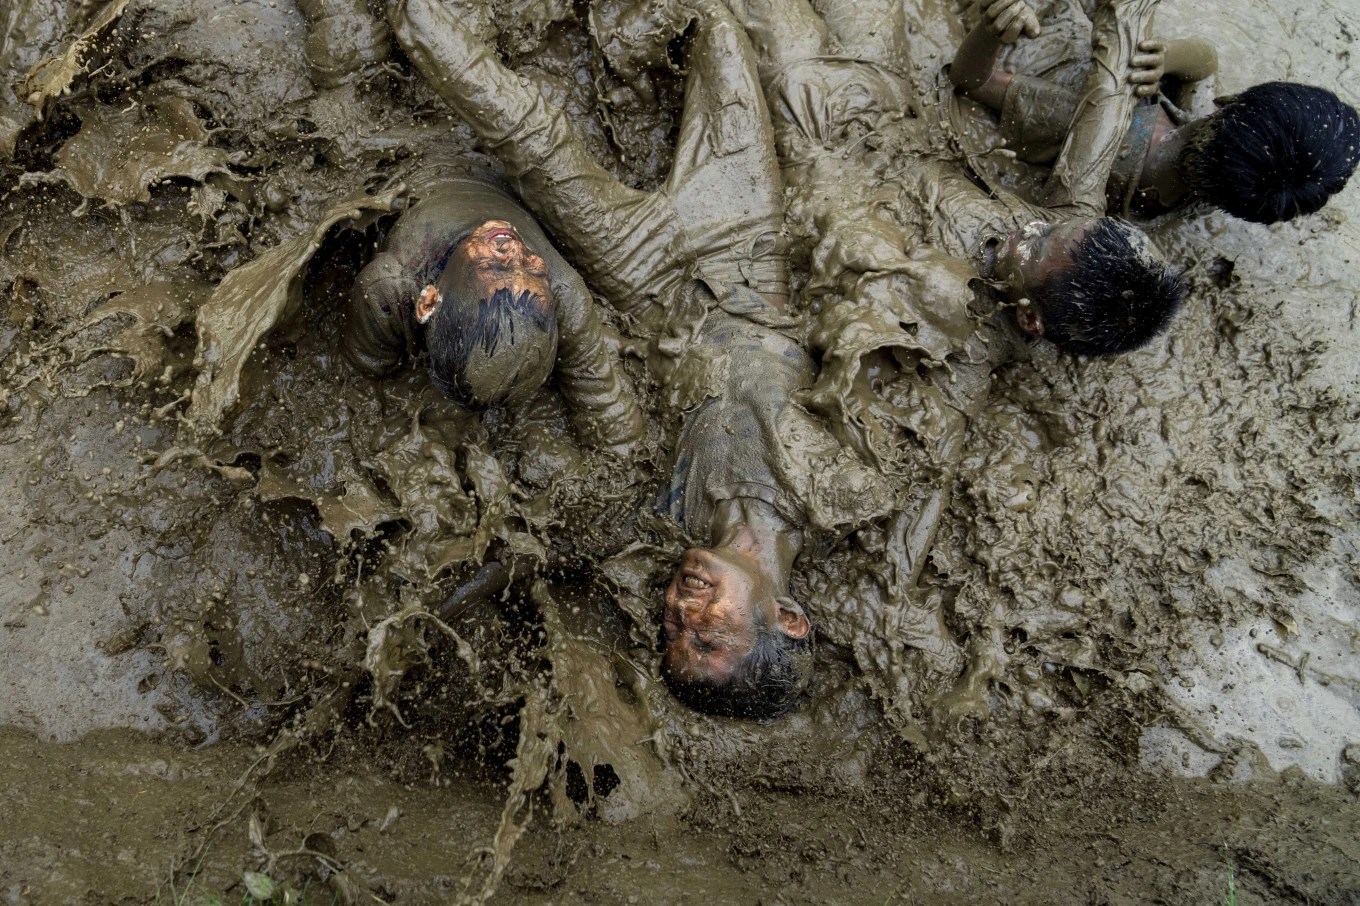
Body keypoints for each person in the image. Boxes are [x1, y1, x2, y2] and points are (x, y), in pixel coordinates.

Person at [388, 0, 899, 718]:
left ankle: (413, 17)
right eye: (710, 637)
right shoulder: (846, 493)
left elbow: (538, 543)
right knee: (718, 28)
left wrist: (429, 610)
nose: (681, 611)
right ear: (785, 618)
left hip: (640, 275)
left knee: (532, 138)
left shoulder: (663, 518)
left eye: (668, 629)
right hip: (746, 243)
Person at [950, 0, 1360, 222]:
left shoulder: (1087, 122)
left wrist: (992, 28)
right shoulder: (1205, 186)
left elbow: (970, 79)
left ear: (1228, 103)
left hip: (1033, 35)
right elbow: (1207, 63)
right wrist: (1169, 58)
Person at [342, 171, 644, 453]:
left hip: (428, 180)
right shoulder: (388, 288)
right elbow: (368, 365)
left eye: (495, 265)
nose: (514, 252)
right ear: (428, 303)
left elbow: (606, 408)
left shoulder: (387, 286)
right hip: (461, 177)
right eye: (532, 269)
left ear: (429, 300)